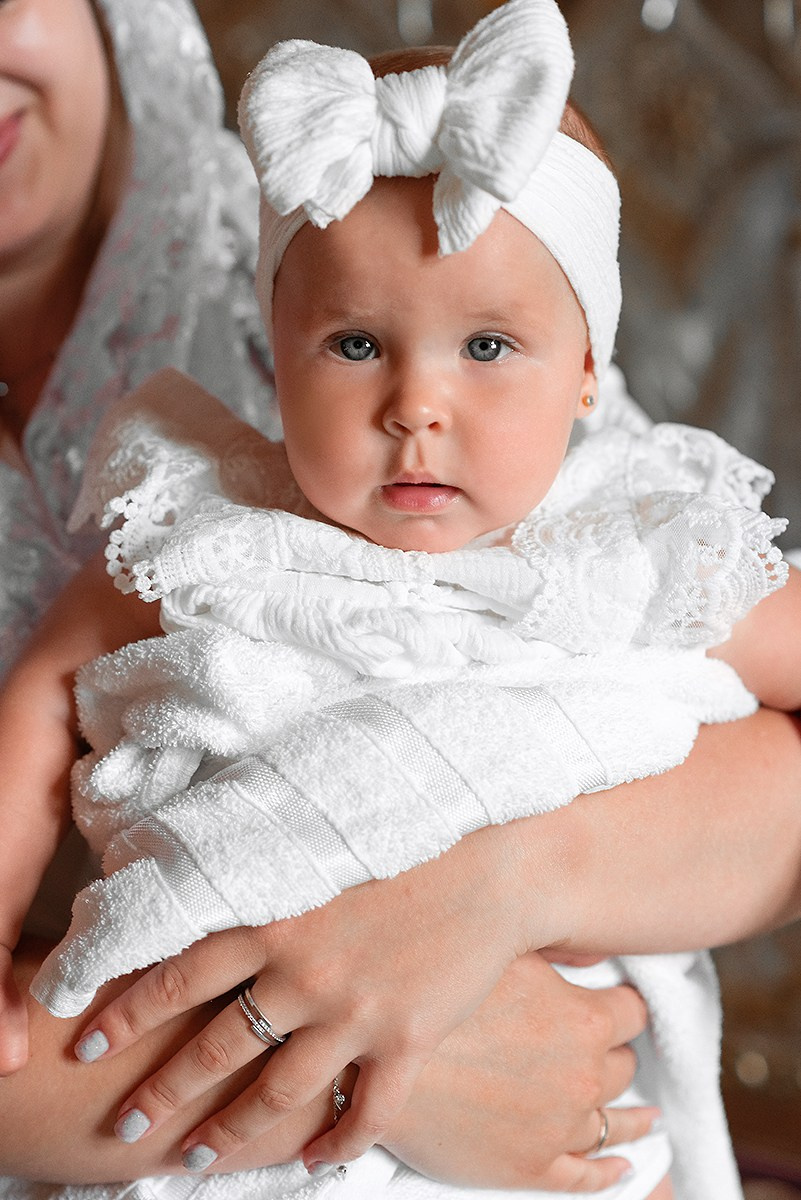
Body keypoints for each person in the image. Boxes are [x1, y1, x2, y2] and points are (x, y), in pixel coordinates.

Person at [1, 2, 800, 1196]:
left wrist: (509, 882)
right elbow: (43, 700)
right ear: (276, 356)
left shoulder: (621, 532)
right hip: (211, 1117)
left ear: (589, 370)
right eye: (358, 346)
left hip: (555, 1105)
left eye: (486, 348)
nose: (417, 406)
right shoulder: (208, 525)